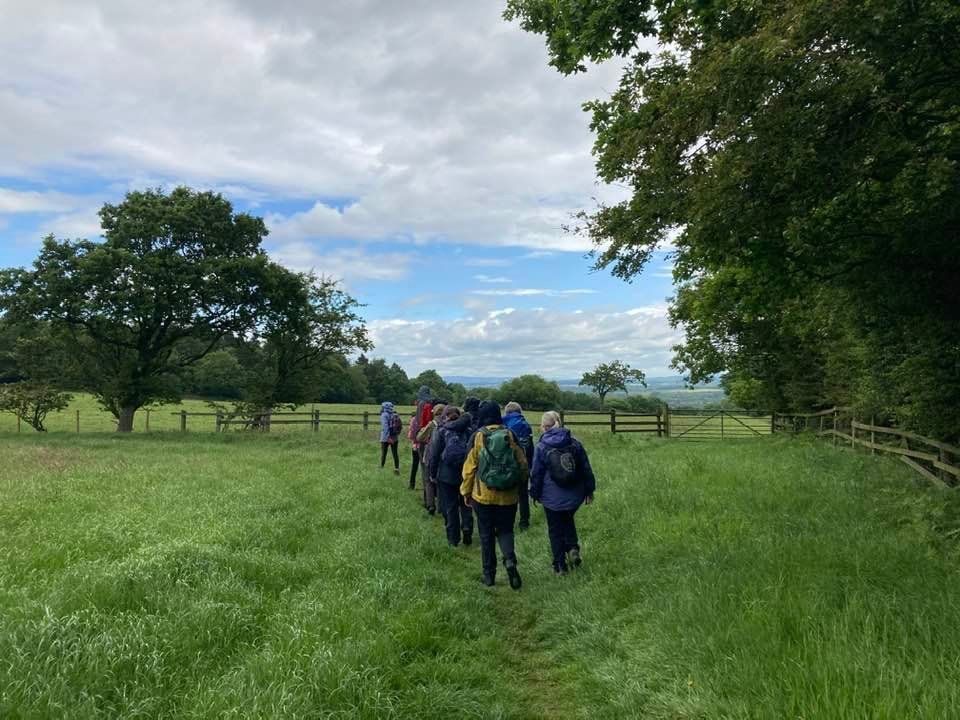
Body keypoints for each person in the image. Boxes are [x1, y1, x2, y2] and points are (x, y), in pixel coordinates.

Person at [461, 401, 529, 589]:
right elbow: (523, 464)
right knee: (506, 531)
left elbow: (470, 468)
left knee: (486, 535)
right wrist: (520, 483)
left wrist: (466, 492)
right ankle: (510, 561)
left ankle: (489, 575)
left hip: (483, 496)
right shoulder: (510, 434)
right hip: (509, 496)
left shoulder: (478, 436)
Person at [530, 410, 596, 576]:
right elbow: (585, 468)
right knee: (567, 519)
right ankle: (573, 548)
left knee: (555, 529)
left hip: (551, 497)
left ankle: (560, 565)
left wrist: (534, 494)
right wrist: (589, 490)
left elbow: (536, 474)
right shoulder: (574, 443)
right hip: (574, 494)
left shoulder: (542, 446)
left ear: (544, 426)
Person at [429, 405, 474, 546]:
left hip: (446, 475)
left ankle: (453, 539)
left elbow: (434, 454)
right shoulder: (469, 431)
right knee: (466, 504)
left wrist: (432, 473)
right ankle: (467, 527)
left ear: (445, 416)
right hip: (465, 474)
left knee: (450, 506)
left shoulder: (441, 430)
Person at [502, 401, 534, 531]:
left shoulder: (502, 424)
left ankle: (506, 521)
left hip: (507, 465)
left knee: (507, 494)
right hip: (522, 464)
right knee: (523, 494)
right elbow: (530, 448)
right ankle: (524, 521)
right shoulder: (526, 425)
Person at [416, 403, 445, 514]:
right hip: (443, 456)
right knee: (440, 481)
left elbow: (420, 437)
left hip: (430, 454)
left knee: (428, 480)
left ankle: (430, 504)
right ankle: (441, 507)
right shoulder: (448, 423)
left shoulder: (432, 424)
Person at [379, 401, 401, 474]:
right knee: (395, 453)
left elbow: (385, 427)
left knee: (383, 453)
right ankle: (397, 468)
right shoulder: (395, 414)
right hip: (395, 437)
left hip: (385, 437)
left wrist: (387, 437)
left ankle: (381, 468)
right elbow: (399, 426)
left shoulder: (384, 415)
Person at [406, 411, 420, 490]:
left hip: (416, 445)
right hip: (428, 446)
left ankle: (412, 484)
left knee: (415, 465)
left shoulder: (415, 419)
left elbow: (411, 435)